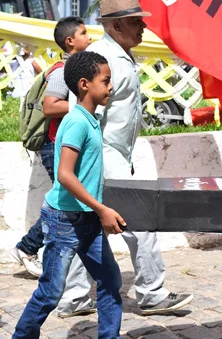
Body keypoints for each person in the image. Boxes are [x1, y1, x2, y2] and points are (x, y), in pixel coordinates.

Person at [60, 0, 193, 316]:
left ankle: (74, 298)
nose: (143, 27)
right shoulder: (102, 60)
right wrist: (93, 165)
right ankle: (152, 292)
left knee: (89, 228)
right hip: (105, 154)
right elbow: (88, 117)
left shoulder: (115, 55)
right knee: (140, 220)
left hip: (113, 154)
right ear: (117, 25)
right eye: (136, 21)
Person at [13, 50, 124, 339]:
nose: (111, 86)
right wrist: (102, 209)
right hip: (64, 221)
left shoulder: (90, 119)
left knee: (110, 282)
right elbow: (64, 175)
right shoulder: (76, 122)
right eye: (106, 80)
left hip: (87, 220)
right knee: (50, 293)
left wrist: (98, 210)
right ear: (85, 84)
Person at [10, 17, 92, 279]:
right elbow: (49, 106)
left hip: (66, 144)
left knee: (67, 203)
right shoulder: (61, 72)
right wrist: (84, 104)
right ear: (70, 41)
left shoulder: (79, 68)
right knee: (63, 203)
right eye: (83, 32)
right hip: (54, 145)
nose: (89, 37)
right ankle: (27, 247)